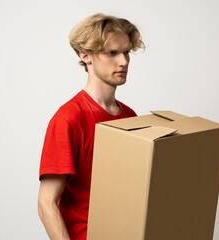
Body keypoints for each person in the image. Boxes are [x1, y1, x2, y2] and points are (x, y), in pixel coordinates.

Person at [37, 13, 145, 240]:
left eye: (126, 52)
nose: (124, 61)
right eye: (112, 53)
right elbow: (47, 203)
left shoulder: (131, 118)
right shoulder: (68, 119)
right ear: (86, 56)